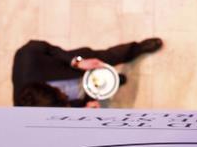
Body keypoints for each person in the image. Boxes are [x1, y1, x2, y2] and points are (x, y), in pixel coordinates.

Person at [12, 38, 163, 107]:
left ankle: (137, 48)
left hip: (74, 68)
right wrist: (84, 113)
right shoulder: (35, 115)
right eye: (64, 101)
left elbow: (40, 46)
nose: (65, 95)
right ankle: (118, 81)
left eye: (60, 93)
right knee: (109, 85)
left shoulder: (26, 62)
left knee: (111, 56)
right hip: (84, 96)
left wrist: (76, 62)